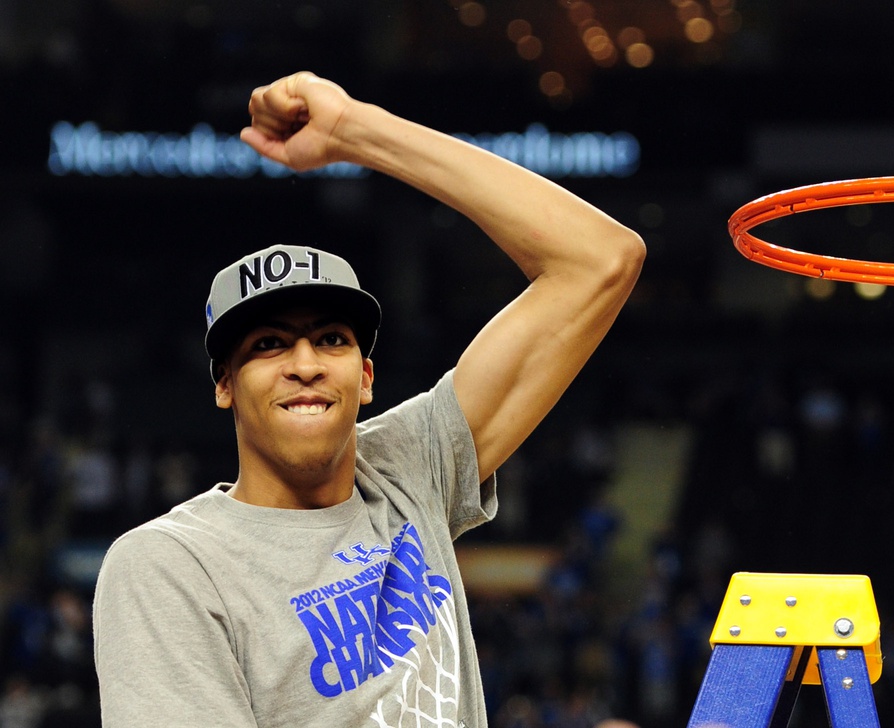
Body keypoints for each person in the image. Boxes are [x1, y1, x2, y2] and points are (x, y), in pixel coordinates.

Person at [91, 72, 645, 727]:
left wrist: (359, 130)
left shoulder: (409, 466)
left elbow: (601, 258)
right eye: (268, 345)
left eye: (330, 339)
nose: (304, 365)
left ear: (367, 376)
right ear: (223, 385)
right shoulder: (169, 563)